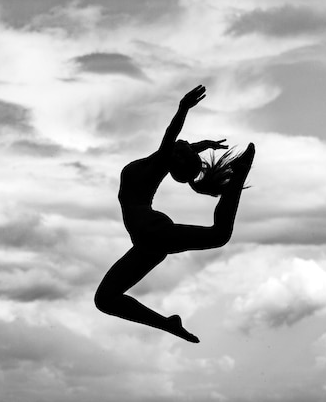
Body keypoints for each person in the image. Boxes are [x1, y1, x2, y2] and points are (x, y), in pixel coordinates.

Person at [94, 85, 255, 343]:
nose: (185, 143)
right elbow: (184, 146)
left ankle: (239, 174)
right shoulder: (163, 162)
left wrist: (183, 108)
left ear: (176, 158)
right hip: (147, 244)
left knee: (220, 234)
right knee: (104, 299)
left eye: (184, 149)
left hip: (152, 231)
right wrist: (205, 145)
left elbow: (173, 136)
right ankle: (168, 324)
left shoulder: (160, 161)